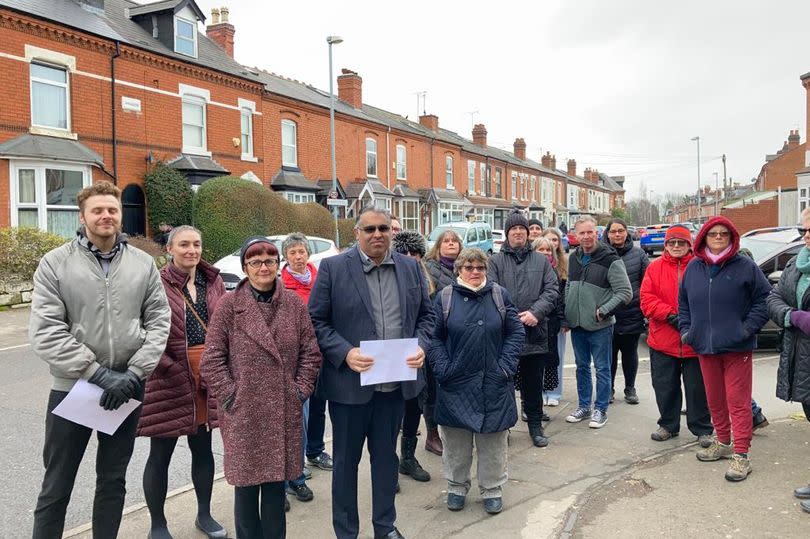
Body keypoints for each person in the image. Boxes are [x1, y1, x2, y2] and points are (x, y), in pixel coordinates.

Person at [29, 181, 171, 539]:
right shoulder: (55, 263)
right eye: (98, 210)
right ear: (83, 216)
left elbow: (159, 320)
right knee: (56, 486)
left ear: (120, 215)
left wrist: (135, 372)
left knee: (112, 481)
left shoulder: (143, 264)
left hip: (126, 388)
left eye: (112, 210)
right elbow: (46, 330)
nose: (106, 216)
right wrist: (96, 373)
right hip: (73, 388)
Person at [308, 207, 436, 539]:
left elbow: (427, 315)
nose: (377, 234)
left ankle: (385, 527)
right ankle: (346, 532)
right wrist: (345, 352)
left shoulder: (410, 268)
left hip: (395, 388)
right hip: (349, 388)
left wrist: (421, 345)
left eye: (383, 228)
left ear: (392, 232)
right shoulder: (334, 268)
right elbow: (316, 321)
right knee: (346, 466)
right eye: (369, 229)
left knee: (385, 462)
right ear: (357, 233)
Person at [201, 237, 322, 538]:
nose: (263, 267)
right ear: (245, 268)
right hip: (244, 412)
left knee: (274, 490)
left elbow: (311, 352)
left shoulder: (293, 304)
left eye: (269, 260)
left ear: (278, 265)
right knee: (245, 490)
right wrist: (232, 396)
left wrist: (299, 391)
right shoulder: (229, 306)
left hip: (283, 408)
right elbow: (212, 359)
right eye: (255, 262)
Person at [138, 225, 227, 539]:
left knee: (202, 449)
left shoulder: (213, 281)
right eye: (184, 244)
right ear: (169, 249)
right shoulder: (155, 283)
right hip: (169, 376)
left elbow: (226, 325)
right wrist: (164, 365)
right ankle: (158, 525)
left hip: (207, 376)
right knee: (160, 453)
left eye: (197, 244)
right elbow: (140, 328)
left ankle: (204, 514)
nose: (192, 250)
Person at [428, 248, 524, 514]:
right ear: (459, 269)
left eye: (480, 268)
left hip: (494, 381)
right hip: (455, 382)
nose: (474, 272)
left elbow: (515, 333)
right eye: (468, 267)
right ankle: (457, 485)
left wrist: (505, 367)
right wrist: (443, 369)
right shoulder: (445, 298)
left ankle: (492, 487)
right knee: (456, 442)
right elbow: (433, 338)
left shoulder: (498, 295)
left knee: (493, 441)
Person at [679, 216, 771, 482]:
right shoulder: (694, 268)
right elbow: (683, 302)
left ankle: (741, 455)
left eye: (724, 234)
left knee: (738, 401)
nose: (718, 237)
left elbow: (764, 299)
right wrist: (688, 330)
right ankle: (722, 440)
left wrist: (746, 329)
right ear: (704, 237)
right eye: (713, 234)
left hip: (736, 347)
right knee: (715, 399)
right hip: (704, 345)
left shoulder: (745, 266)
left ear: (731, 238)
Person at [487, 210, 558, 447]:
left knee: (533, 384)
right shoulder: (495, 261)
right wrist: (510, 318)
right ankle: (503, 427)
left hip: (535, 332)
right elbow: (491, 291)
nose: (518, 233)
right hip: (504, 334)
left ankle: (535, 426)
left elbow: (551, 290)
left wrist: (535, 312)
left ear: (528, 233)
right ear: (507, 234)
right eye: (513, 229)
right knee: (502, 384)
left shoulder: (541, 260)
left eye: (522, 229)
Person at [639, 225, 713, 447]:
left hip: (694, 341)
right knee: (665, 386)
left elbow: (710, 297)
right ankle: (668, 425)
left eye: (681, 242)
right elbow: (646, 299)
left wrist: (691, 319)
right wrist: (671, 316)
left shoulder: (702, 266)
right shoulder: (654, 268)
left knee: (697, 388)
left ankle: (702, 428)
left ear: (689, 244)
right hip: (663, 339)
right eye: (672, 243)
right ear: (666, 245)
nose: (677, 246)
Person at [564, 215, 632, 429]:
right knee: (581, 368)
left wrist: (603, 310)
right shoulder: (573, 258)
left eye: (589, 232)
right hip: (577, 325)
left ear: (597, 233)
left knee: (602, 368)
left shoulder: (610, 258)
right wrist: (567, 314)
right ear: (575, 235)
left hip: (600, 326)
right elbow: (569, 288)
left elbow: (625, 292)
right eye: (581, 232)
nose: (586, 236)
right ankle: (584, 406)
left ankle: (600, 409)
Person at [767, 209, 810, 510]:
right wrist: (791, 316)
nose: (807, 235)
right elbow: (773, 297)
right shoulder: (797, 263)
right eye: (804, 229)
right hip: (802, 355)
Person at [280, 233, 323, 506]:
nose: (298, 256)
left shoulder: (320, 280)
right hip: (288, 362)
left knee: (306, 419)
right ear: (286, 256)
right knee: (289, 419)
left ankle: (296, 477)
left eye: (302, 251)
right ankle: (282, 482)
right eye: (293, 252)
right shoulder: (279, 285)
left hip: (315, 356)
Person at [392, 230, 434, 483]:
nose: (411, 257)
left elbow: (427, 317)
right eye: (405, 253)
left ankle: (408, 458)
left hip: (416, 355)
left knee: (413, 408)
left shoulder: (424, 278)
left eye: (415, 253)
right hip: (389, 355)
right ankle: (390, 464)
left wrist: (422, 345)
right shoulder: (388, 278)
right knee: (390, 414)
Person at [423, 228, 464, 455]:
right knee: (432, 389)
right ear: (438, 247)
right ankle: (431, 434)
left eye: (454, 240)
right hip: (436, 336)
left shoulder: (466, 268)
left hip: (459, 338)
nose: (450, 244)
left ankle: (454, 430)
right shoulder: (429, 269)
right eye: (445, 241)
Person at [603, 218, 649, 405]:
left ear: (626, 233)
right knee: (609, 355)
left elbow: (647, 283)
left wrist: (644, 310)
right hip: (608, 313)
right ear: (608, 234)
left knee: (630, 353)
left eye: (621, 231)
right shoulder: (601, 254)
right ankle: (609, 389)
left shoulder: (639, 255)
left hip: (632, 312)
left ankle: (630, 388)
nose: (617, 234)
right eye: (613, 231)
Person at [533, 237, 565, 419]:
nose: (545, 253)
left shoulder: (555, 271)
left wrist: (562, 320)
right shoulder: (530, 270)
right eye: (540, 249)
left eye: (548, 250)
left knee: (551, 359)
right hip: (533, 321)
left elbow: (559, 299)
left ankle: (550, 393)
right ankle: (535, 400)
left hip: (551, 323)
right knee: (534, 365)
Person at [542, 228, 569, 407]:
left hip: (558, 319)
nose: (552, 243)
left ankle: (554, 392)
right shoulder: (536, 265)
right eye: (548, 240)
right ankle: (542, 390)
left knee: (556, 356)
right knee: (541, 358)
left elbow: (566, 295)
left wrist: (565, 319)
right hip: (540, 320)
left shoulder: (564, 264)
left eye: (555, 240)